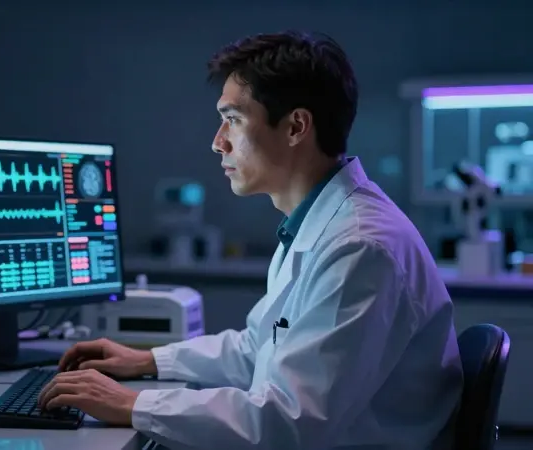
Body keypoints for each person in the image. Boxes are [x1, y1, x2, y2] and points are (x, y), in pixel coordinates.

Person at [38, 30, 464, 450]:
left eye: (233, 120)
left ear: (296, 126)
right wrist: (147, 361)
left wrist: (133, 403)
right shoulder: (317, 224)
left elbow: (289, 422)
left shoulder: (359, 247)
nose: (217, 142)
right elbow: (257, 348)